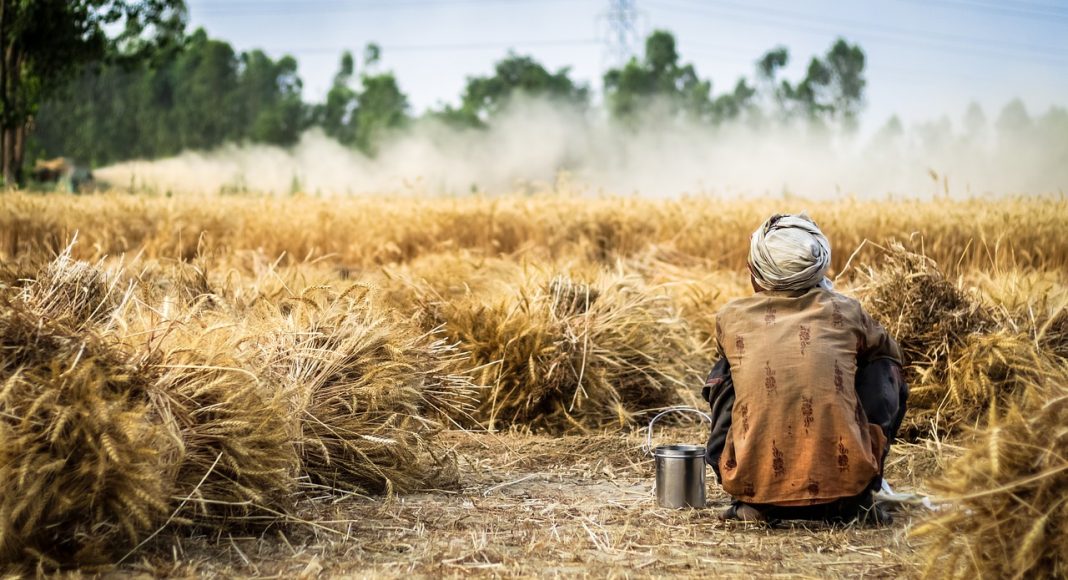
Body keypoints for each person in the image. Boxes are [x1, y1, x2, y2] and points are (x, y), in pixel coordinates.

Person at [703, 213, 908, 525]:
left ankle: (750, 489)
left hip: (754, 490)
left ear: (754, 272)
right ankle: (860, 483)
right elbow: (892, 356)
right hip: (845, 496)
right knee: (883, 365)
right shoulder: (847, 311)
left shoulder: (731, 318)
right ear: (819, 269)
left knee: (726, 370)